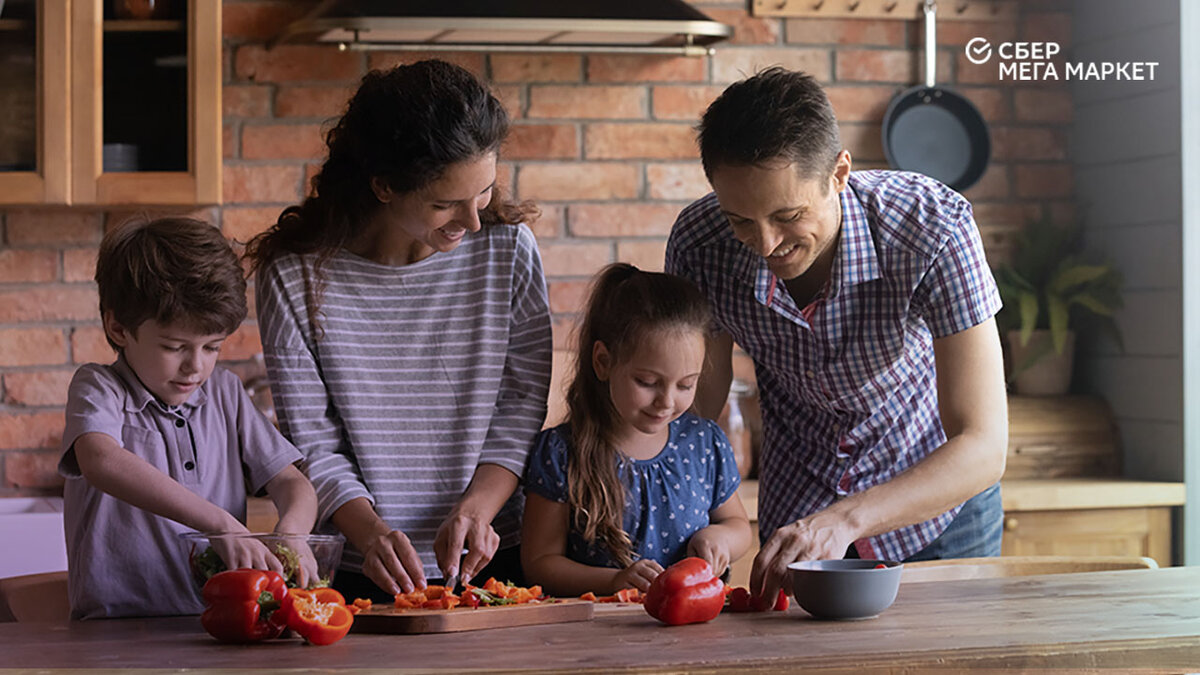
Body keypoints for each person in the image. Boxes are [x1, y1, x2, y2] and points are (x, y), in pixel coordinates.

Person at [665, 67, 1009, 605]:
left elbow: (984, 444)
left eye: (788, 215)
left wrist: (848, 519)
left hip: (938, 512)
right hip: (798, 517)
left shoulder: (933, 226)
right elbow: (694, 413)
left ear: (839, 173)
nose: (765, 243)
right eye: (740, 220)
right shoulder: (700, 243)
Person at [245, 59, 553, 602]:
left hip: (496, 555)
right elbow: (314, 439)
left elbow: (522, 403)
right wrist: (371, 533)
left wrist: (477, 510)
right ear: (384, 186)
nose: (474, 220)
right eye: (444, 203)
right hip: (363, 567)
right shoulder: (294, 276)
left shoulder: (508, 251)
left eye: (483, 191)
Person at [59, 217, 318, 620]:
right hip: (115, 629)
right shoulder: (100, 387)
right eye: (174, 346)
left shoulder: (226, 394)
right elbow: (100, 459)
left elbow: (291, 481)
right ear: (118, 327)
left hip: (218, 624)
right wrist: (220, 523)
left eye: (212, 347)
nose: (195, 367)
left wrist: (293, 533)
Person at [521, 264, 752, 596]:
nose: (666, 401)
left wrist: (720, 538)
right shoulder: (561, 452)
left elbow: (739, 526)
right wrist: (613, 581)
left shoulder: (704, 441)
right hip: (597, 631)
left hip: (693, 630)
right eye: (647, 382)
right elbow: (540, 562)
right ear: (603, 362)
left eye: (686, 385)